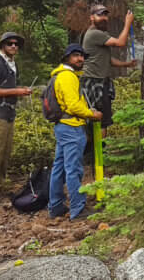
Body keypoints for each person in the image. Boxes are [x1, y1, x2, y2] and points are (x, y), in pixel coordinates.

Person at [48, 43, 102, 220]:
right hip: (71, 127)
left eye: (82, 56)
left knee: (59, 167)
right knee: (73, 169)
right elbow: (72, 105)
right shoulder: (68, 77)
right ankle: (78, 209)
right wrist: (91, 114)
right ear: (67, 58)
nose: (80, 59)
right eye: (76, 55)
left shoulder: (61, 75)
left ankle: (55, 206)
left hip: (62, 126)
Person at [0, 31, 32, 197]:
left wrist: (19, 91)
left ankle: (0, 187)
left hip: (7, 115)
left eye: (16, 44)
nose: (13, 46)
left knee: (5, 153)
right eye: (10, 43)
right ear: (2, 46)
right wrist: (17, 91)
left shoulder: (11, 64)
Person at [80, 4, 136, 136]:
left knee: (102, 119)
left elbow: (108, 59)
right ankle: (97, 152)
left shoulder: (101, 34)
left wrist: (126, 64)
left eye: (105, 15)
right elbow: (120, 43)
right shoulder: (94, 34)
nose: (104, 18)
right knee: (99, 121)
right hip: (93, 82)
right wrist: (128, 23)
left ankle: (96, 151)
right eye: (100, 15)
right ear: (91, 18)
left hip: (101, 81)